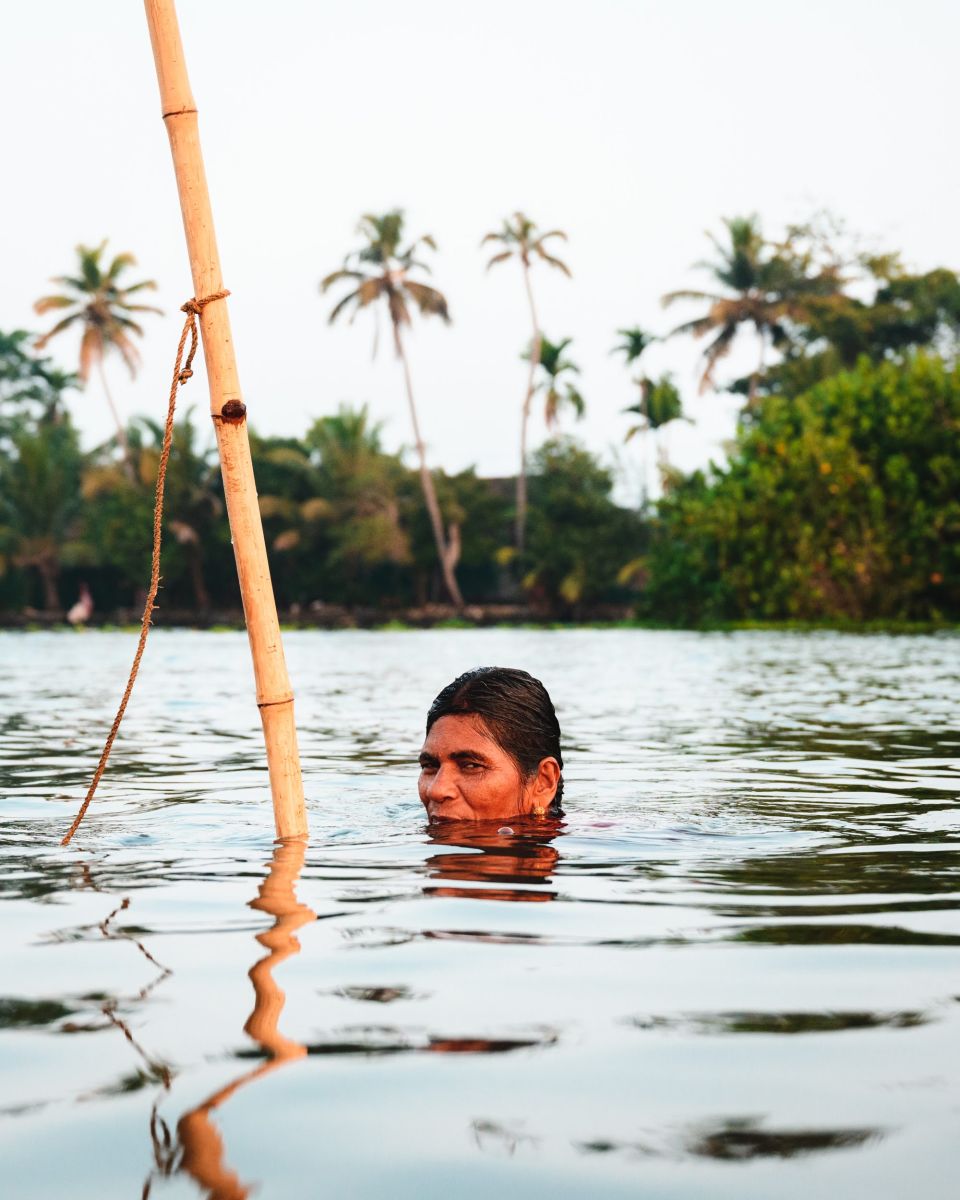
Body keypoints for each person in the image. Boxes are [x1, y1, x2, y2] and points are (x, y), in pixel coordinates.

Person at [418, 667, 564, 823]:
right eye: (430, 766)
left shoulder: (588, 841)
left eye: (471, 766)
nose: (436, 791)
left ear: (543, 782)